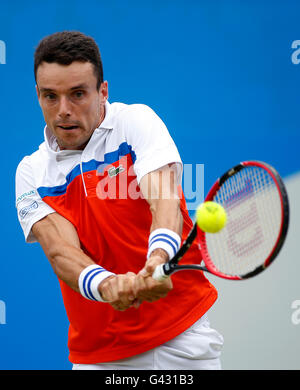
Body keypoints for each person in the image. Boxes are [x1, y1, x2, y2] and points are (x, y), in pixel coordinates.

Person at [15, 31, 223, 370]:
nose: (63, 111)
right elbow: (60, 251)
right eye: (51, 97)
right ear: (38, 95)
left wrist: (159, 257)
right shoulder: (31, 172)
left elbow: (164, 198)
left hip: (182, 340)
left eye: (78, 94)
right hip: (99, 356)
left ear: (103, 92)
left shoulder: (135, 122)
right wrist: (107, 284)